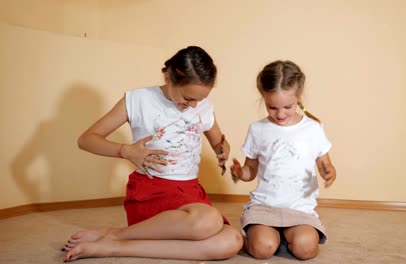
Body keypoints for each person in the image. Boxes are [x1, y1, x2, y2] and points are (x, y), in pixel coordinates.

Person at [62, 46, 243, 262]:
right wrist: (125, 151)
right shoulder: (139, 99)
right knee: (208, 221)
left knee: (231, 240)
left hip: (190, 194)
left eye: (199, 100)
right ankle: (114, 234)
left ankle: (115, 246)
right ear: (168, 77)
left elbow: (219, 143)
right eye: (188, 98)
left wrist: (222, 151)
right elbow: (86, 139)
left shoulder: (202, 106)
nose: (193, 105)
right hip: (152, 190)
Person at [230, 60, 336, 260]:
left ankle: (285, 238)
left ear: (299, 97)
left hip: (299, 207)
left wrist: (329, 172)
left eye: (287, 107)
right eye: (272, 108)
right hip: (265, 206)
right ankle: (260, 237)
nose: (280, 114)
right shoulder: (258, 129)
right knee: (262, 249)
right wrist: (239, 172)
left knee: (306, 250)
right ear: (263, 97)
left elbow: (325, 163)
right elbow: (250, 170)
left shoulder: (313, 128)